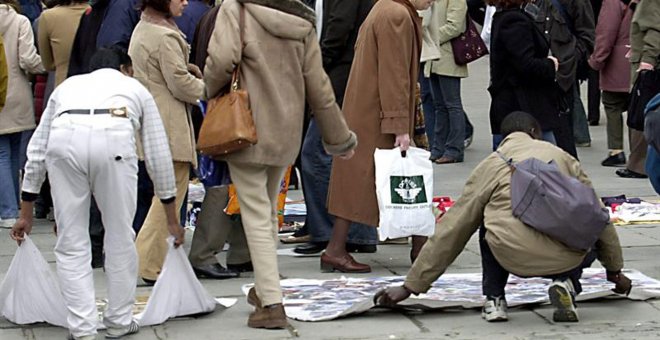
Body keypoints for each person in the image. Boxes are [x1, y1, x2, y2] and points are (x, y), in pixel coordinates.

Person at [375, 111, 632, 323]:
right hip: (566, 257)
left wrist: (410, 287)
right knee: (580, 218)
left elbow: (454, 228)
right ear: (536, 133)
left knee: (485, 222)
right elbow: (598, 216)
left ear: (505, 138)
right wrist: (615, 272)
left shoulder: (492, 164)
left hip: (510, 254)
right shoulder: (563, 157)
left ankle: (495, 300)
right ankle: (566, 283)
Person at [11, 47, 183, 340]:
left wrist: (25, 212)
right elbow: (158, 155)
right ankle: (118, 321)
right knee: (119, 237)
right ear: (125, 68)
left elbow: (37, 151)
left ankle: (82, 328)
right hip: (114, 142)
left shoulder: (67, 87)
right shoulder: (134, 88)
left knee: (71, 242)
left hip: (64, 142)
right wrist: (171, 218)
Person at [204, 0, 357, 328]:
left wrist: (206, 88)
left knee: (258, 216)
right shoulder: (301, 18)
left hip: (246, 128)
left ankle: (271, 304)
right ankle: (263, 289)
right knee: (268, 212)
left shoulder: (236, 9)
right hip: (286, 132)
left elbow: (220, 61)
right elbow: (319, 86)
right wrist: (339, 137)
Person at [325, 0, 433, 273]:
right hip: (378, 114)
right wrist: (399, 124)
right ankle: (420, 248)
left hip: (369, 110)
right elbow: (394, 74)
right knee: (405, 178)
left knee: (364, 181)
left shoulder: (387, 8)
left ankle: (419, 246)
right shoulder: (395, 14)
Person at [293, 0, 379, 256]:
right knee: (342, 156)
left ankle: (330, 232)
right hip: (344, 73)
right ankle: (351, 233)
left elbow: (339, 28)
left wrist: (318, 64)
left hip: (339, 76)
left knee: (318, 153)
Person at [129, 0, 205, 285]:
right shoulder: (164, 35)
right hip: (168, 123)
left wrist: (187, 69)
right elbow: (180, 84)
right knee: (168, 197)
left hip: (152, 119)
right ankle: (147, 263)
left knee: (164, 196)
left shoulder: (147, 27)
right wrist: (210, 88)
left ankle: (148, 261)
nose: (185, 2)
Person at [186, 3, 245, 279]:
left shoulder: (217, 15)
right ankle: (206, 253)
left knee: (238, 182)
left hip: (224, 106)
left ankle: (241, 252)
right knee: (227, 182)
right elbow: (221, 63)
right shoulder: (231, 16)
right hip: (233, 108)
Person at [487, 0, 560, 149]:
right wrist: (550, 64)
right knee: (546, 160)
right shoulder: (514, 21)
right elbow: (525, 64)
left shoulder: (504, 17)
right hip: (523, 106)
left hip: (515, 104)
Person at [530, 0, 596, 158]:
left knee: (563, 136)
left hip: (562, 76)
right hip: (533, 74)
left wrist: (571, 59)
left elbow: (587, 35)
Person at [0, 0, 45, 229]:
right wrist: (46, 65)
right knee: (15, 151)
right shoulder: (20, 21)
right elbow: (27, 58)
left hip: (1, 94)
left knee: (1, 154)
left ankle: (7, 211)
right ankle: (14, 207)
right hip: (17, 92)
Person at [588, 0, 634, 168]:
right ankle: (639, 155)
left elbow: (606, 33)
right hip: (640, 58)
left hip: (618, 61)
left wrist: (596, 60)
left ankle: (616, 150)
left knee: (612, 104)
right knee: (637, 107)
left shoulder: (613, 2)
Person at [616, 0, 659, 179]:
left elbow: (654, 31)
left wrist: (647, 60)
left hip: (649, 68)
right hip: (648, 62)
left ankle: (639, 165)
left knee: (642, 112)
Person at [426, 0, 470, 164]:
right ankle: (438, 148)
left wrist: (430, 37)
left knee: (452, 105)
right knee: (439, 106)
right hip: (434, 57)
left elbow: (455, 26)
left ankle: (454, 149)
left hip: (448, 56)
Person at [37, 0, 89, 87]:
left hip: (63, 86)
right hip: (93, 87)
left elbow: (48, 64)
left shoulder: (48, 17)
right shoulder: (98, 12)